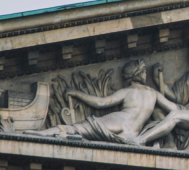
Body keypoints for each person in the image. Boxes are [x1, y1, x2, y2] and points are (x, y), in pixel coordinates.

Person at [25, 59, 167, 144]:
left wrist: (77, 93)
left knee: (76, 128)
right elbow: (176, 109)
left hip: (116, 122)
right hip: (132, 134)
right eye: (143, 71)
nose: (145, 73)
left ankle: (43, 133)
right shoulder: (154, 94)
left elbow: (101, 102)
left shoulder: (128, 91)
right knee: (77, 131)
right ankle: (50, 135)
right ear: (137, 74)